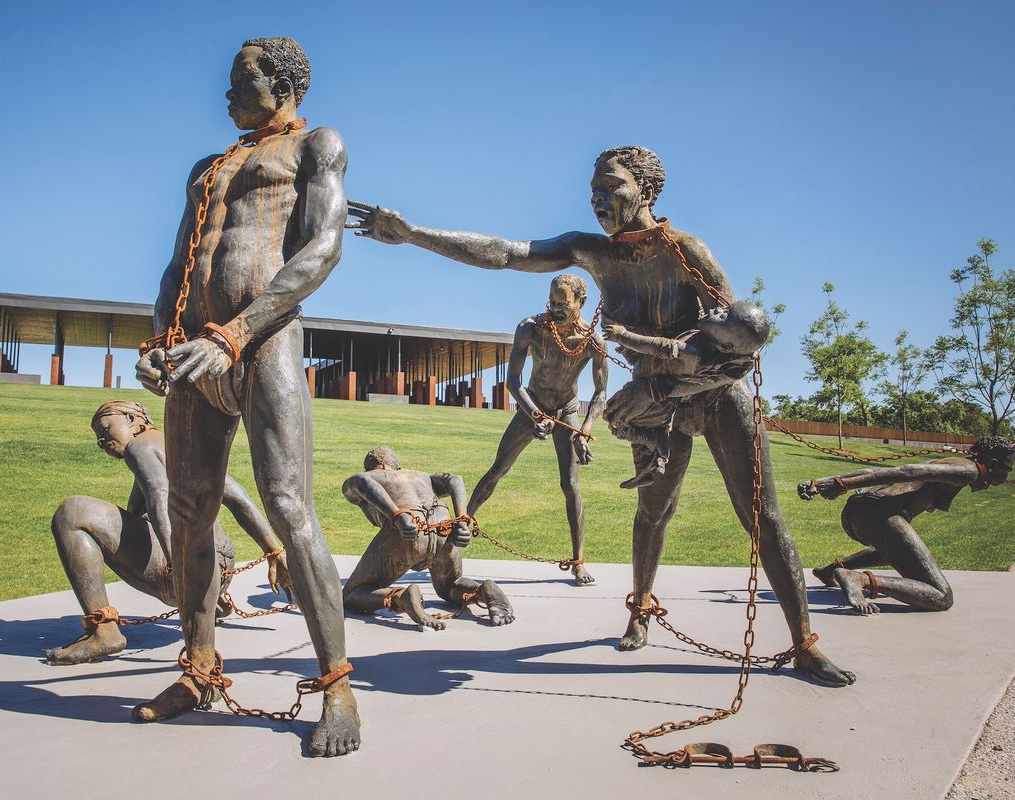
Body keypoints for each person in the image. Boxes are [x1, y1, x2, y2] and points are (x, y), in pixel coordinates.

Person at [346, 144, 854, 685]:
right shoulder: (590, 252)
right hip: (652, 409)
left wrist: (661, 385)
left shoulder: (687, 252)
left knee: (762, 517)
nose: (598, 198)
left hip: (712, 394)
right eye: (593, 189)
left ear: (646, 190)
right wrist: (413, 234)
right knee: (653, 513)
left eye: (611, 186)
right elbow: (506, 253)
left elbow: (739, 351)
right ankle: (640, 609)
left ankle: (804, 644)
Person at [133, 37, 360, 755]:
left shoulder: (317, 145)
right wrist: (159, 340)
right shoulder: (207, 166)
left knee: (289, 506)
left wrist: (235, 335)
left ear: (284, 83)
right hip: (193, 352)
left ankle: (338, 688)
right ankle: (199, 669)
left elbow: (322, 249)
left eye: (243, 79)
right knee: (188, 512)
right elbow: (178, 263)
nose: (228, 93)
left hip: (262, 341)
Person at [47, 401, 291, 666]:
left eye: (105, 429)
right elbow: (236, 497)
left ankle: (103, 631)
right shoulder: (179, 446)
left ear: (132, 419)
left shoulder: (140, 448)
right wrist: (273, 550)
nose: (102, 441)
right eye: (98, 438)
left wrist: (181, 563)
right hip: (219, 569)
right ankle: (211, 600)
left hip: (184, 568)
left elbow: (160, 498)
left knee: (71, 513)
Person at [466, 275, 607, 585]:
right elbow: (513, 381)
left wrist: (585, 429)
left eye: (564, 303)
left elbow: (600, 393)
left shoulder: (592, 341)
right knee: (498, 469)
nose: (556, 308)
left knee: (570, 484)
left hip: (566, 411)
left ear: (580, 302)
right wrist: (533, 414)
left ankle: (578, 561)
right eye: (552, 301)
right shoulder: (530, 328)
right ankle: (460, 525)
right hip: (533, 404)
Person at [798, 436, 1015, 614]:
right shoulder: (969, 471)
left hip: (860, 513)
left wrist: (823, 481)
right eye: (1006, 470)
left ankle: (830, 571)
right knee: (941, 596)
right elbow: (907, 471)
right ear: (993, 465)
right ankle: (858, 579)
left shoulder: (952, 462)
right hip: (878, 514)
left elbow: (879, 472)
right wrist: (841, 484)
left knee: (900, 553)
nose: (1005, 477)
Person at [342, 446, 515, 629]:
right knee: (450, 587)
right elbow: (454, 479)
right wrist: (462, 520)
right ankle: (482, 591)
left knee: (351, 594)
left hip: (407, 525)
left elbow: (360, 481)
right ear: (396, 466)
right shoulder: (420, 475)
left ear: (369, 468)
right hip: (443, 526)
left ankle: (401, 598)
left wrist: (397, 515)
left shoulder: (370, 475)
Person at [603, 300, 768, 489]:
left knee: (616, 420)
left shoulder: (694, 354)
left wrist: (622, 335)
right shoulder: (709, 344)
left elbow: (657, 346)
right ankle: (653, 454)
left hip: (653, 401)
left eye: (723, 316)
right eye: (725, 309)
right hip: (655, 395)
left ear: (726, 347)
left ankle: (655, 443)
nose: (717, 309)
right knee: (622, 422)